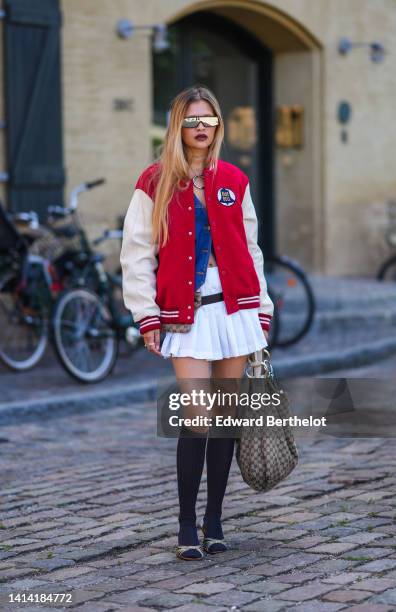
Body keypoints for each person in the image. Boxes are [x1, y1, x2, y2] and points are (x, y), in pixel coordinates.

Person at [120, 84, 274, 560]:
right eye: (191, 119)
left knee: (224, 420)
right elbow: (137, 254)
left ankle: (215, 520)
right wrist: (146, 314)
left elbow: (251, 249)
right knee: (197, 419)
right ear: (177, 126)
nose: (200, 127)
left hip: (236, 311)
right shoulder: (154, 180)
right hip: (186, 317)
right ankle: (186, 525)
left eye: (208, 118)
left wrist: (262, 307)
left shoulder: (234, 180)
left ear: (218, 124)